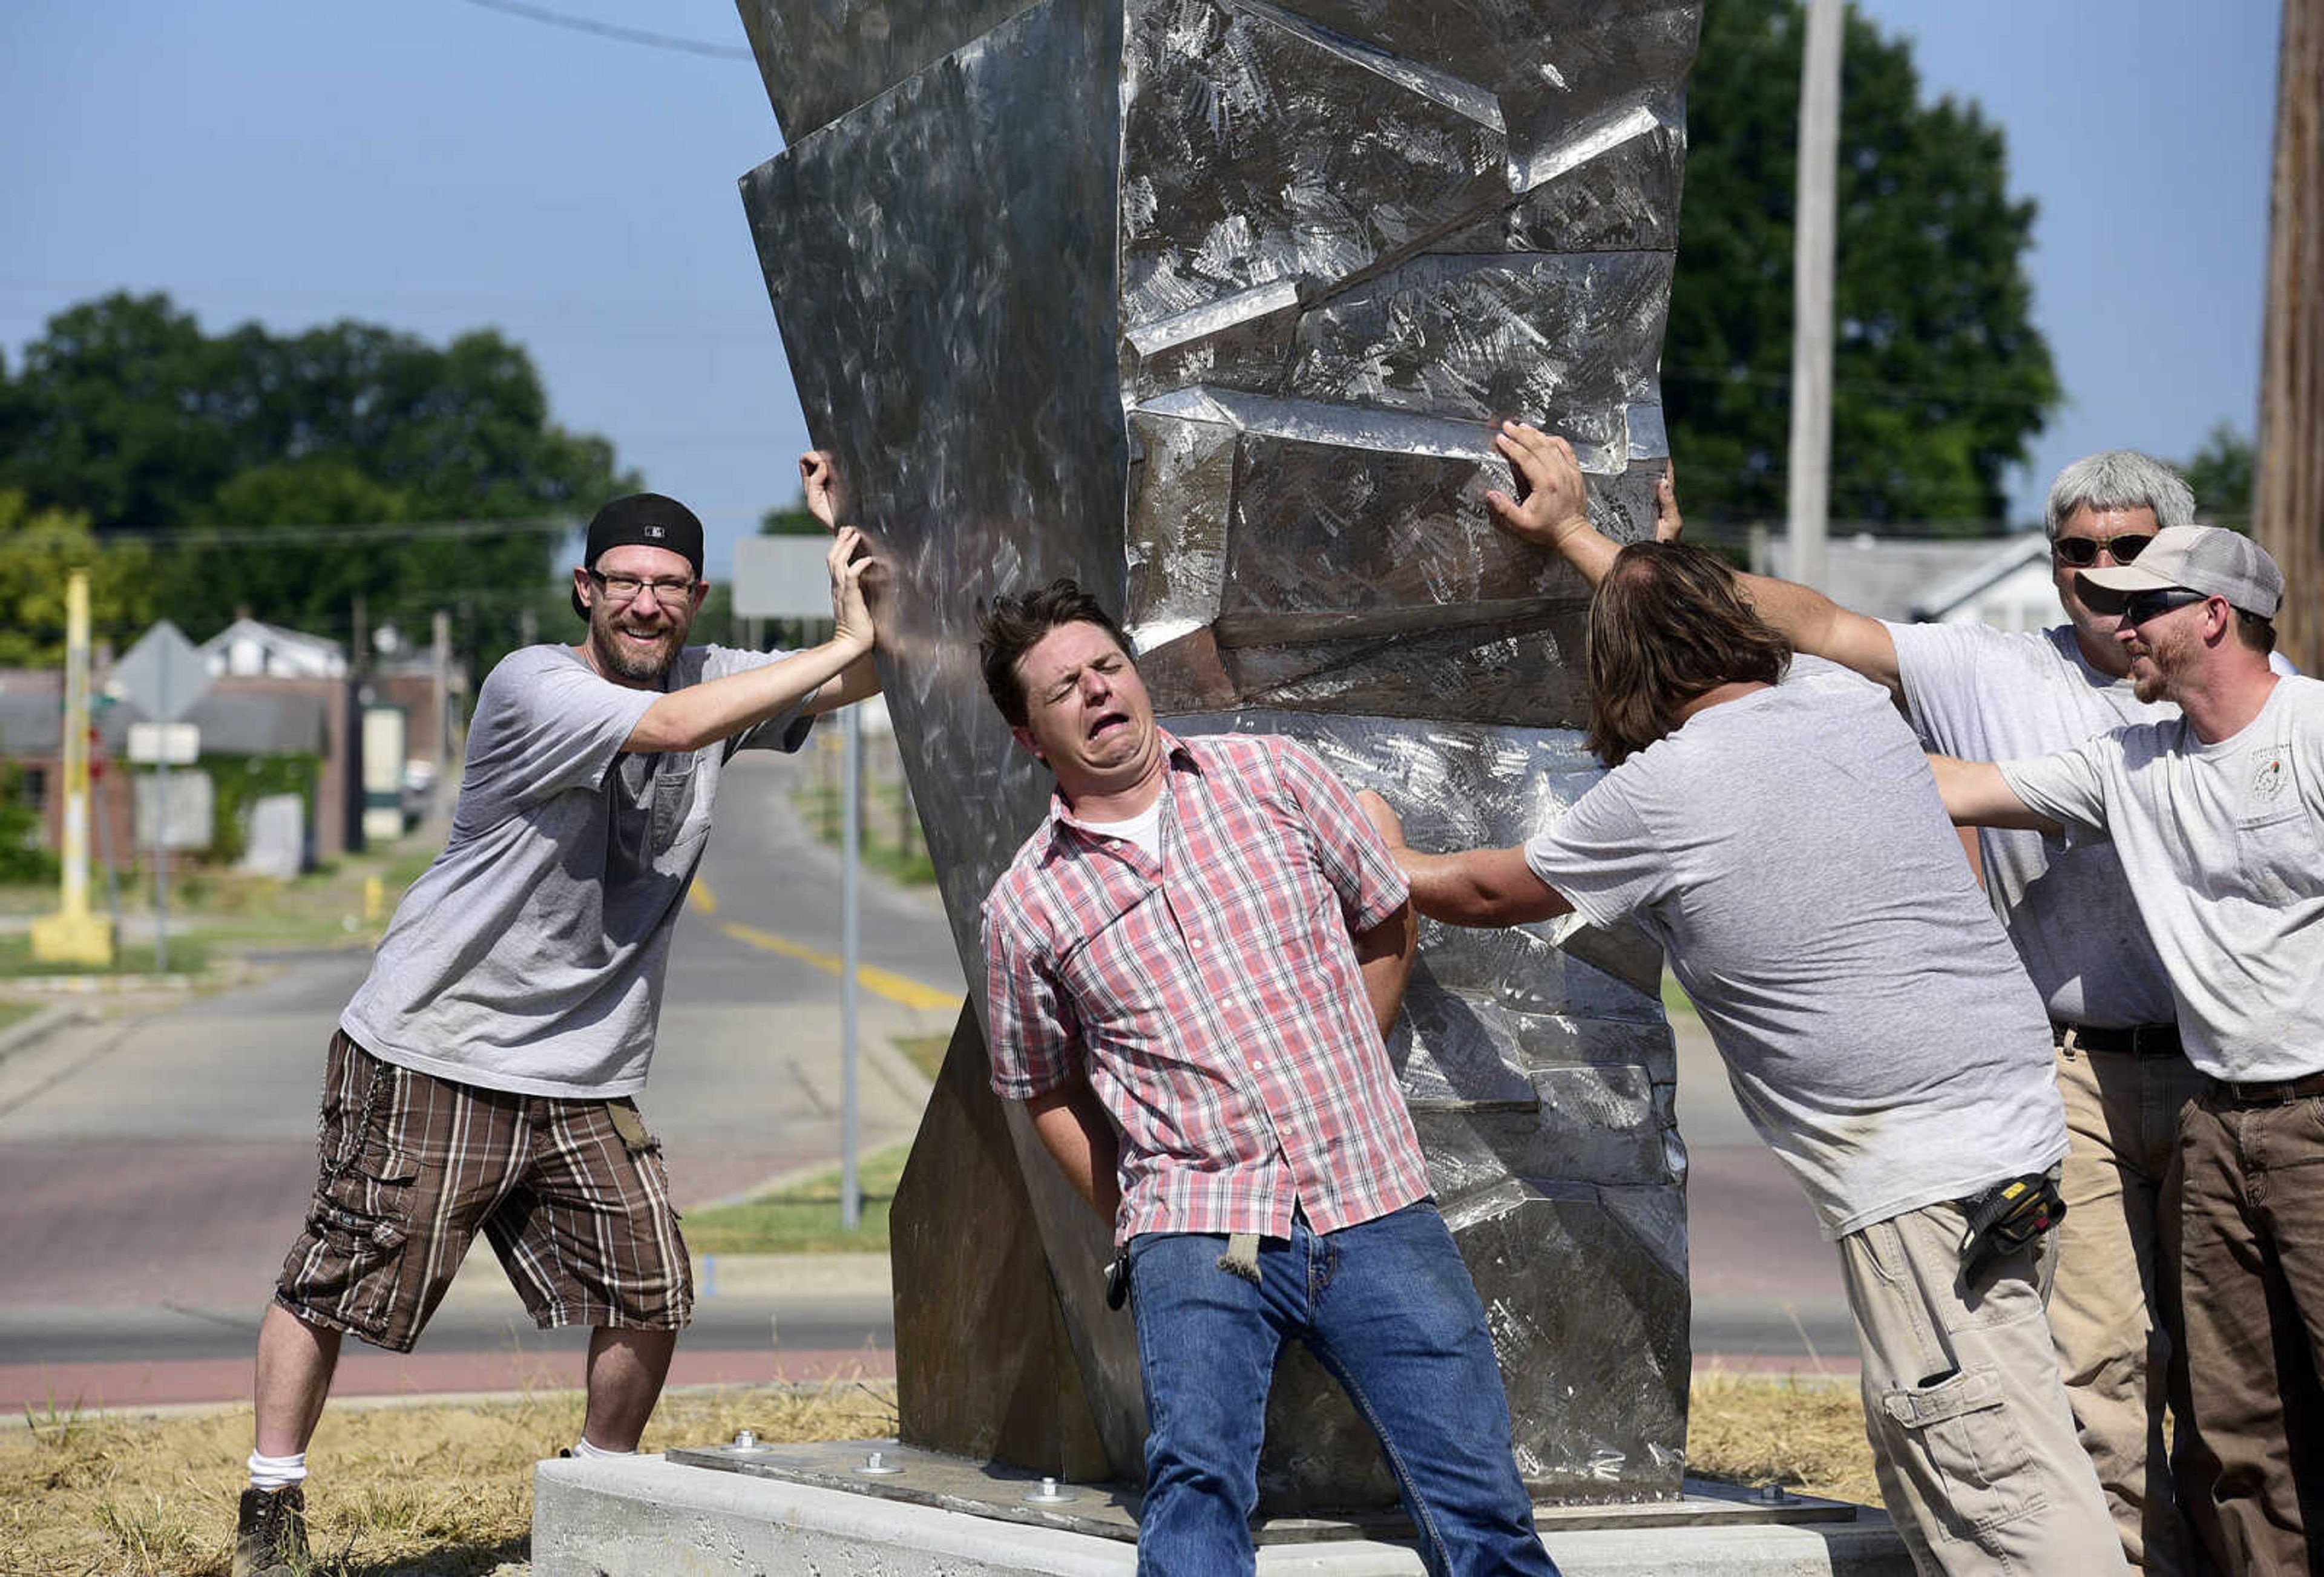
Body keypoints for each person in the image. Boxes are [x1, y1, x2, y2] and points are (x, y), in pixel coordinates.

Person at [1488, 421, 2212, 1573]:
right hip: (2071, 1077)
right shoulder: (1990, 672)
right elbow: (1789, 634)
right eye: (2078, 550)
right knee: (2078, 1399)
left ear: (2196, 563)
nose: (2103, 572)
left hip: (2239, 1087)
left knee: (2240, 1407)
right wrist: (1602, 543)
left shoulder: (2274, 711)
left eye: (2131, 549)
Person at [232, 464, 879, 1577]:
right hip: (434, 1046)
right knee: (338, 1276)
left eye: (670, 585)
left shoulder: (720, 677)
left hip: (582, 1072)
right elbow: (676, 727)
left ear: (698, 598)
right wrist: (833, 645)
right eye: (624, 582)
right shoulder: (533, 685)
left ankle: (596, 1489)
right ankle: (270, 1500)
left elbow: (869, 671)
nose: (646, 603)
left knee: (652, 1282)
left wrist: (851, 527)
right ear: (584, 590)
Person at [975, 579, 1558, 1577]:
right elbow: (1045, 1086)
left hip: (1372, 1196)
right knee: (1197, 1493)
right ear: (1032, 736)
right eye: (1065, 687)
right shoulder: (1024, 906)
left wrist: (1344, 1067)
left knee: (1481, 1503)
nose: (1099, 691)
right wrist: (1139, 1215)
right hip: (1199, 1228)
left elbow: (1384, 912)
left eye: (1108, 665)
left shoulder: (1274, 777)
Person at [1927, 526, 2323, 1575]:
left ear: (2214, 615)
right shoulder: (2130, 764)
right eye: (2109, 602)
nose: (2117, 623)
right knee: (2242, 1428)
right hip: (2217, 1118)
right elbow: (1952, 787)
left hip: (2319, 1115)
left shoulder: (2316, 730)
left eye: (2142, 605)